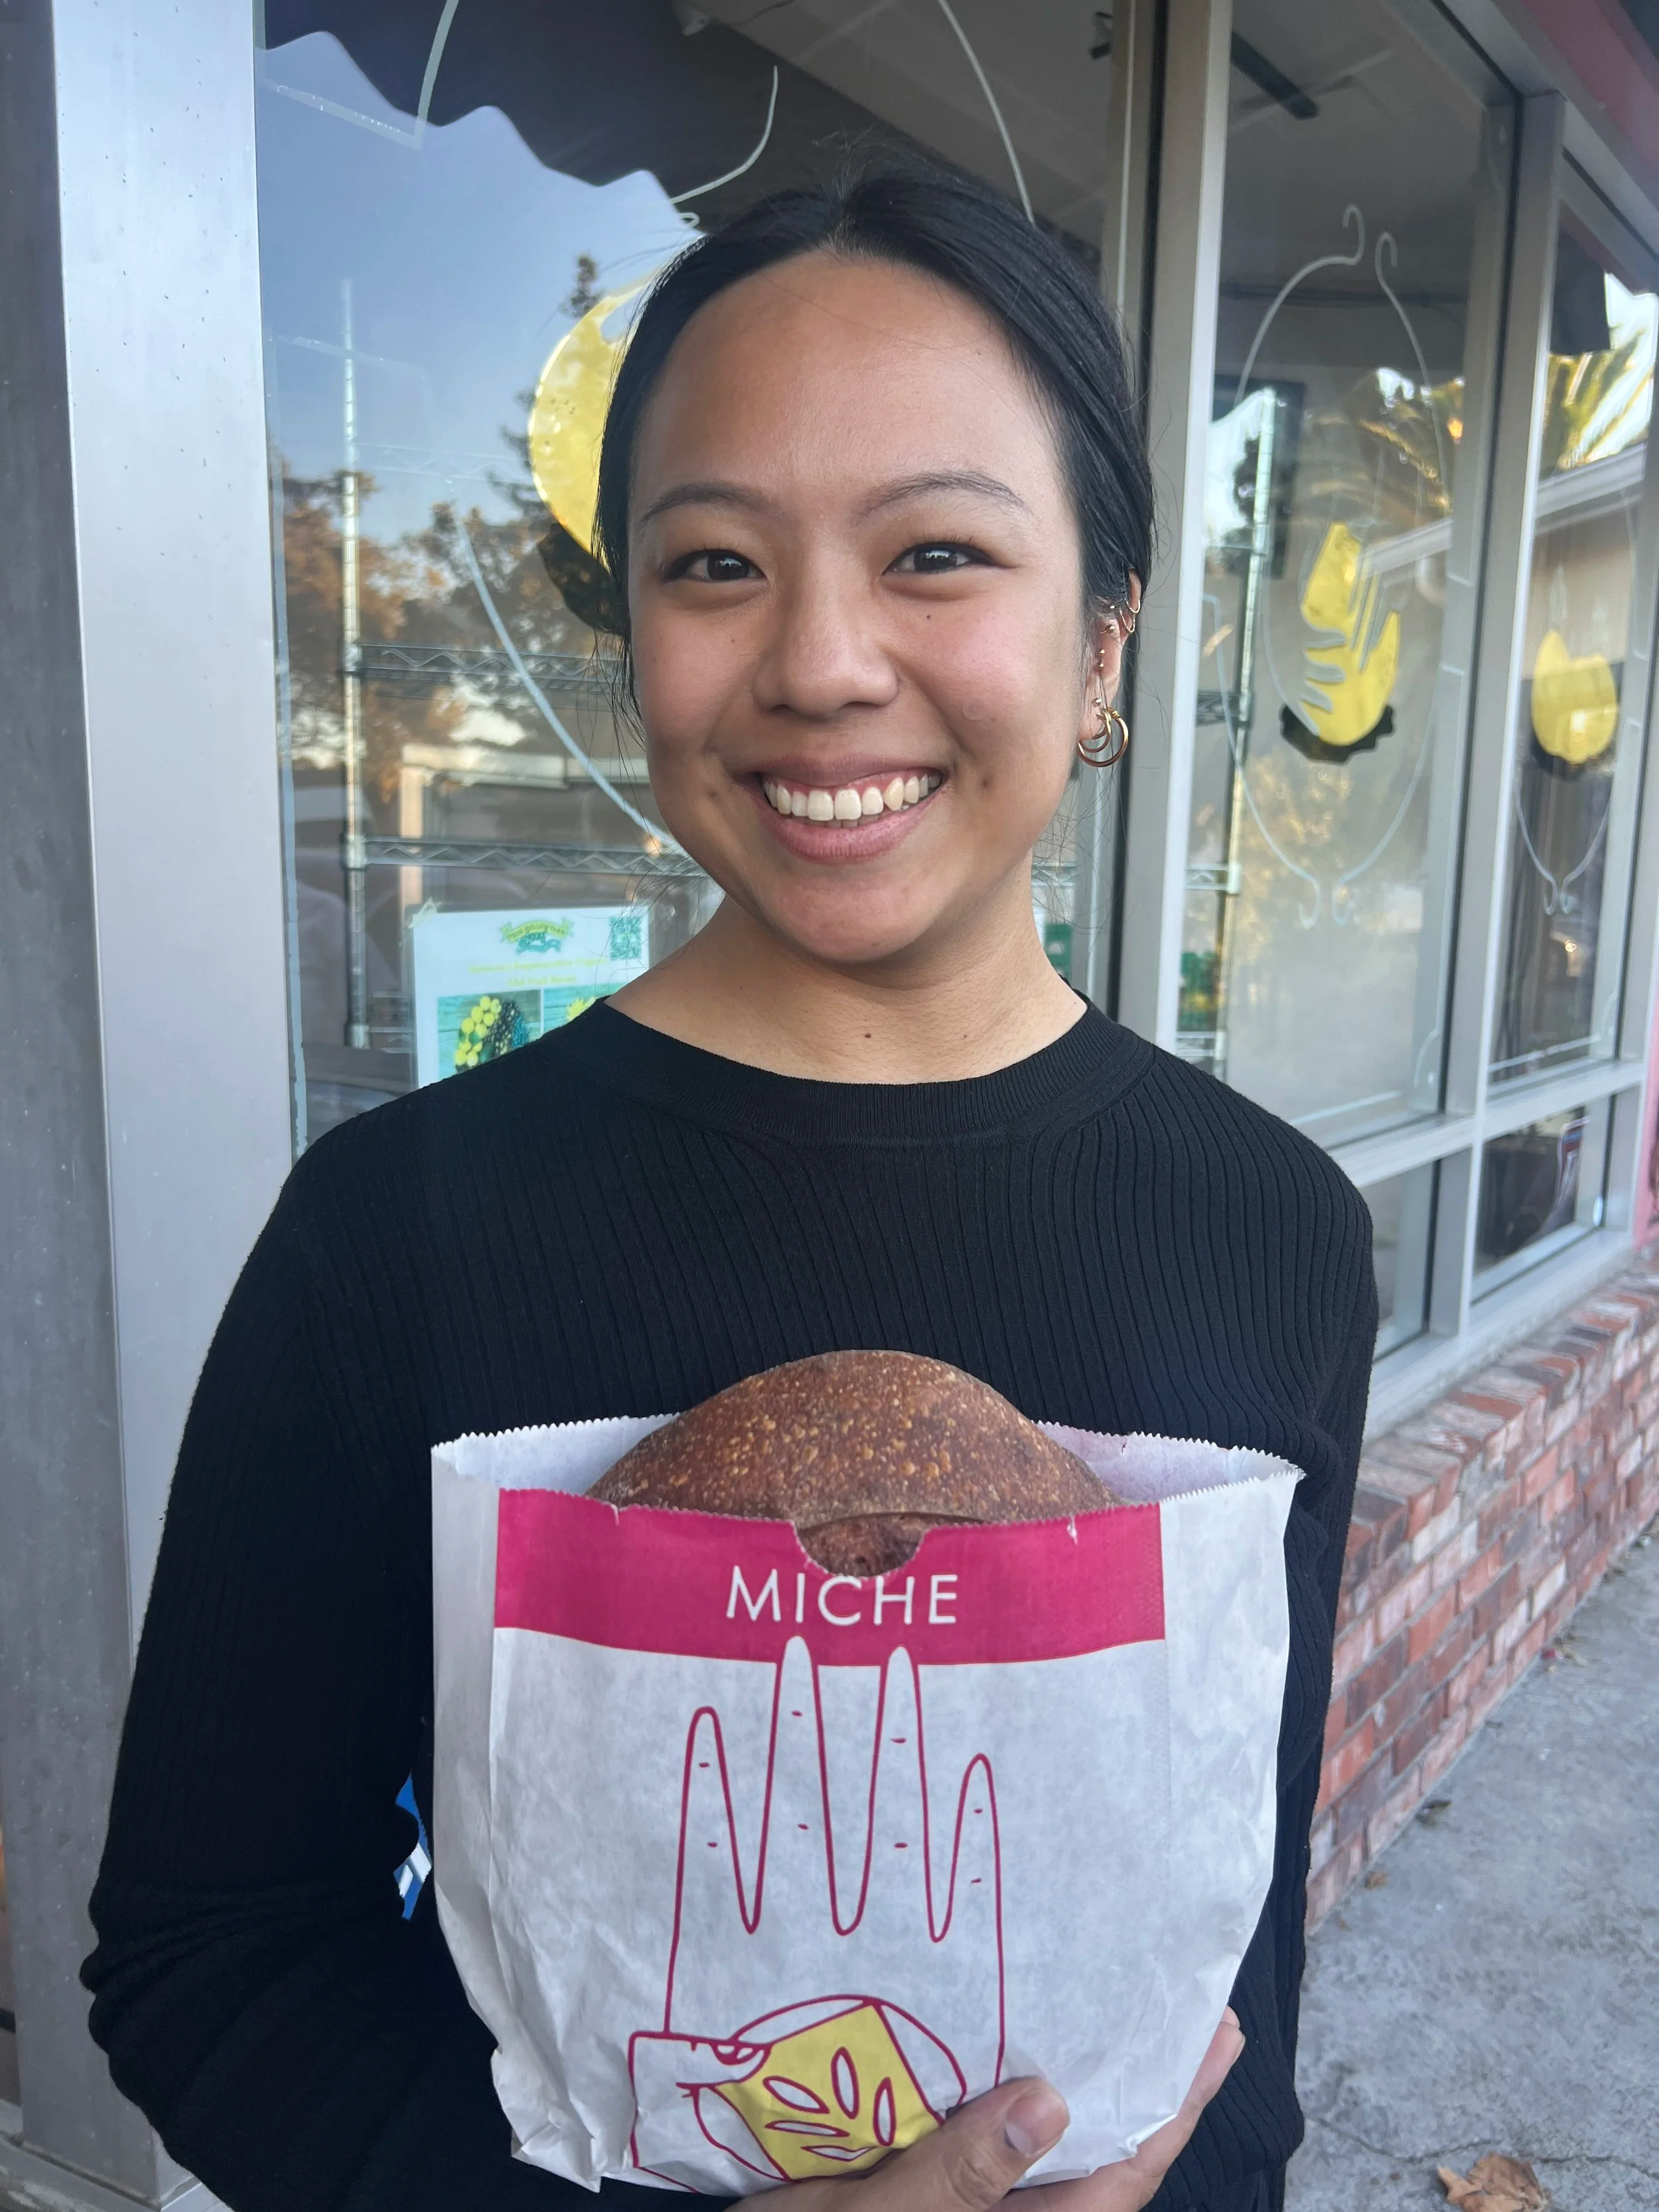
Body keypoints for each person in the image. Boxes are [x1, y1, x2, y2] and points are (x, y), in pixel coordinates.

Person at [84, 159, 1376, 2212]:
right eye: (711, 567)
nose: (822, 662)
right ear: (631, 639)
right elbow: (206, 1957)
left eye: (937, 551)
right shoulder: (394, 1228)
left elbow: (1230, 1953)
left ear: (1107, 636)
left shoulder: (1272, 1232)